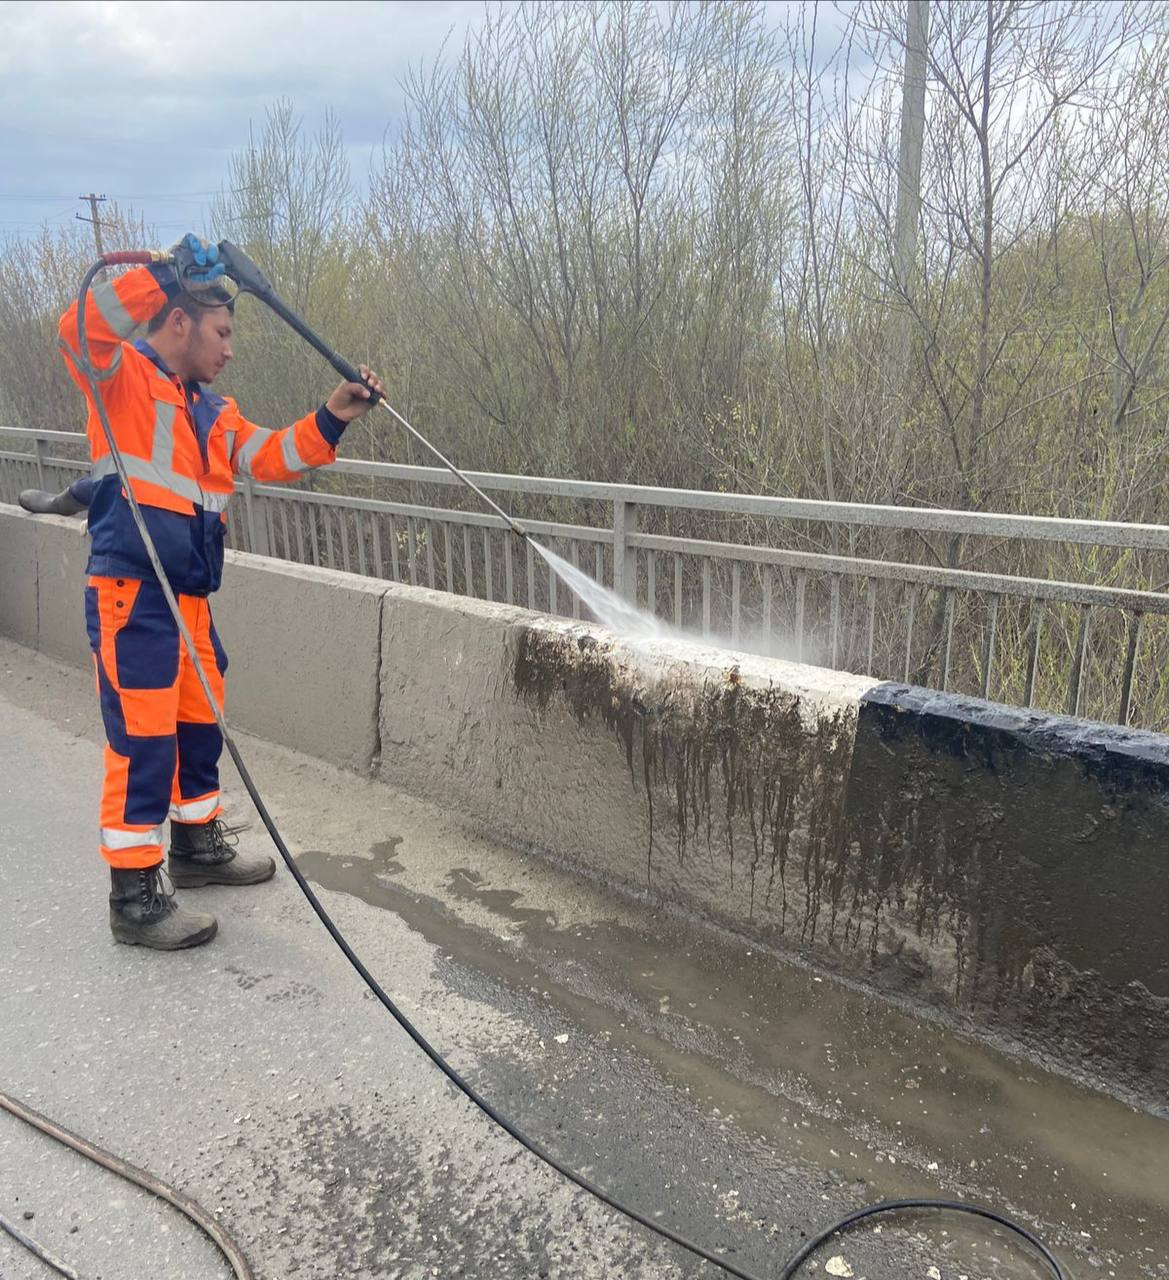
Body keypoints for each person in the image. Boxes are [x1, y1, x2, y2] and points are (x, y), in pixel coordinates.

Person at [56, 233, 385, 951]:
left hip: (192, 604)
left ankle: (196, 847)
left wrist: (333, 414)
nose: (231, 348)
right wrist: (162, 275)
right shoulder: (121, 383)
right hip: (134, 595)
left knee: (198, 727)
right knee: (141, 741)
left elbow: (270, 456)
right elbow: (81, 329)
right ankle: (134, 897)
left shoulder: (212, 410)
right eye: (223, 332)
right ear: (179, 322)